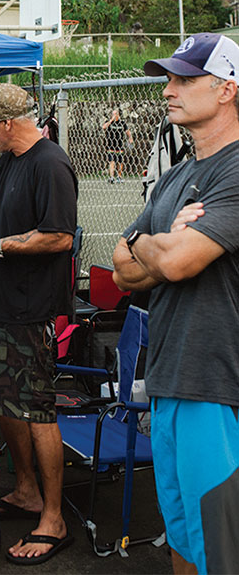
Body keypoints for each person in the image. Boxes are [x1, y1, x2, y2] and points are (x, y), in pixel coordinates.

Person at [112, 33, 239, 575]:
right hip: (167, 378)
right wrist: (159, 243)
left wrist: (149, 243)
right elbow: (121, 269)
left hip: (217, 386)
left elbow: (178, 263)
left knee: (221, 548)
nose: (169, 89)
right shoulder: (176, 176)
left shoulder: (235, 170)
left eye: (185, 79)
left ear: (228, 89)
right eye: (169, 78)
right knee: (183, 538)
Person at [0, 83, 78, 566]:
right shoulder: (11, 159)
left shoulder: (50, 164)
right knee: (0, 399)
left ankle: (53, 517)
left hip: (30, 310)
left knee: (37, 408)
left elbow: (59, 237)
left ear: (7, 123)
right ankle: (26, 490)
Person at [102, 105, 133, 183]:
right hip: (111, 145)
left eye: (115, 114)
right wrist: (111, 120)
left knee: (120, 161)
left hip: (119, 145)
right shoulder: (108, 122)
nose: (114, 115)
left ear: (118, 115)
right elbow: (104, 127)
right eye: (112, 114)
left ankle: (119, 176)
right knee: (111, 161)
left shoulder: (122, 123)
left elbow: (127, 131)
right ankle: (112, 177)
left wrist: (130, 138)